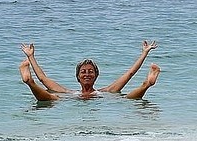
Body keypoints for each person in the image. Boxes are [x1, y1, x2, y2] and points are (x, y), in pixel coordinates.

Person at [19, 41, 160, 101]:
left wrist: (144, 53)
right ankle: (30, 82)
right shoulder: (68, 92)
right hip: (73, 98)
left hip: (99, 98)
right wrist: (31, 56)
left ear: (96, 75)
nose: (87, 74)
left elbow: (129, 74)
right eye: (83, 72)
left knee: (127, 98)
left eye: (90, 72)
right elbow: (43, 79)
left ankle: (147, 84)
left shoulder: (106, 91)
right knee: (53, 98)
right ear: (78, 77)